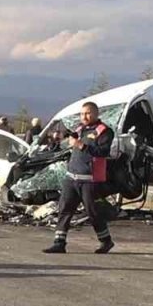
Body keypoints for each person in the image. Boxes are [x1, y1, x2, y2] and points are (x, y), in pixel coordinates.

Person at [44, 101, 115, 254]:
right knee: (64, 209)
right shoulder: (79, 129)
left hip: (89, 179)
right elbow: (70, 143)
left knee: (92, 212)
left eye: (88, 113)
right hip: (72, 177)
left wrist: (82, 145)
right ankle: (59, 242)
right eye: (82, 114)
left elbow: (103, 151)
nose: (84, 116)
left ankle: (106, 240)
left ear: (96, 114)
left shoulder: (104, 131)